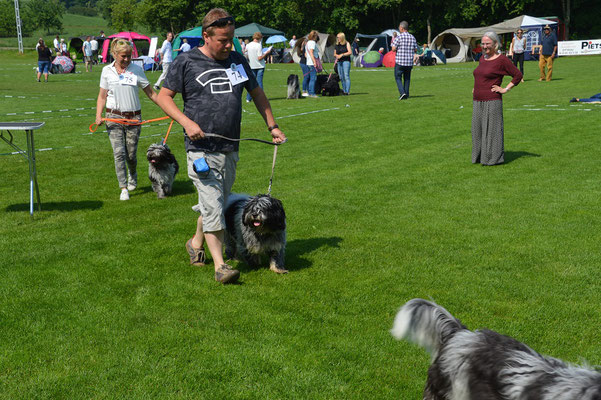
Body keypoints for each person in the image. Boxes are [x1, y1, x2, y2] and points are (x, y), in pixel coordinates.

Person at [155, 8, 286, 284]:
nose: (229, 45)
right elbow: (163, 97)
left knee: (213, 203)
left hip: (230, 148)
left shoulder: (236, 61)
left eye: (231, 39)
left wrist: (272, 126)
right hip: (199, 149)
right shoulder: (186, 62)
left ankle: (195, 243)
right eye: (222, 40)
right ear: (206, 35)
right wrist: (187, 122)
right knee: (214, 206)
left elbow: (257, 93)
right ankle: (221, 265)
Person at [95, 39, 159, 200]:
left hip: (133, 118)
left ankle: (133, 174)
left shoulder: (136, 70)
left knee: (131, 155)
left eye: (129, 56)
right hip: (113, 117)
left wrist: (168, 108)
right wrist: (98, 115)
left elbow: (151, 93)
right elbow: (102, 96)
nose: (126, 59)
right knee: (118, 153)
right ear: (114, 54)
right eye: (123, 56)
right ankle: (123, 188)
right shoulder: (106, 71)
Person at [471, 32, 522, 166]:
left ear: (495, 44)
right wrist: (475, 87)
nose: (485, 46)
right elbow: (480, 75)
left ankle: (494, 158)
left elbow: (517, 75)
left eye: (488, 43)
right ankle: (480, 157)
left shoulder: (502, 60)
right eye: (483, 43)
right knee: (477, 130)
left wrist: (505, 89)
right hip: (477, 100)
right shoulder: (482, 58)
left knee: (492, 130)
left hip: (492, 100)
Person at [391, 21, 419, 100]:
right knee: (407, 78)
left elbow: (393, 49)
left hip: (400, 61)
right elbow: (416, 49)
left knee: (398, 77)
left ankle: (402, 93)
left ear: (402, 28)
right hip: (409, 62)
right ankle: (406, 94)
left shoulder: (399, 37)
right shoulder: (412, 37)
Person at [245, 31, 272, 102]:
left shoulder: (248, 45)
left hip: (252, 65)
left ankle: (248, 98)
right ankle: (261, 98)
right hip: (259, 65)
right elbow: (259, 58)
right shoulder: (258, 45)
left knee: (251, 83)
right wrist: (266, 53)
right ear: (259, 38)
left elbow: (245, 52)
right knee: (259, 83)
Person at [305, 30, 320, 98]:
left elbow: (306, 53)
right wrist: (314, 61)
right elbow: (311, 52)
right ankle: (312, 93)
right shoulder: (313, 43)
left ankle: (309, 91)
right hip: (311, 62)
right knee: (313, 78)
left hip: (308, 62)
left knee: (310, 77)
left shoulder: (308, 42)